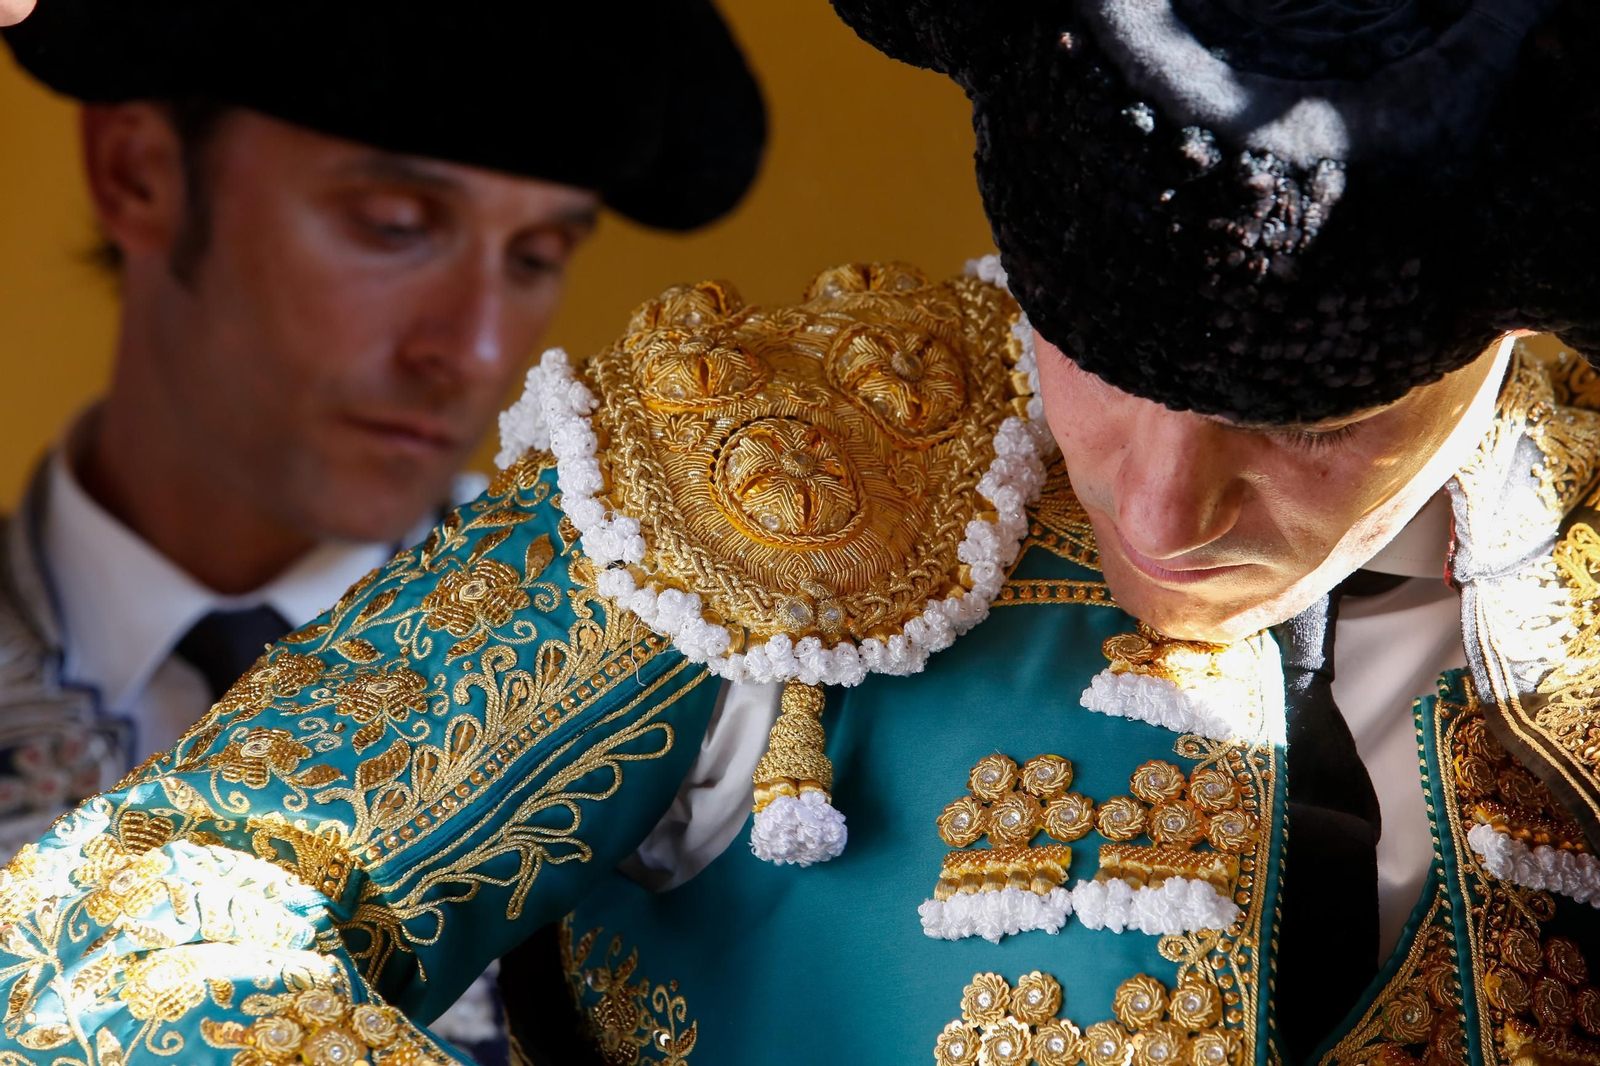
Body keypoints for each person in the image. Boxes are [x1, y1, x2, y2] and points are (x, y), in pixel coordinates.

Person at [3, 2, 1599, 1064]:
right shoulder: (765, 471)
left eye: (1307, 423)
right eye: (1089, 363)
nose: (1161, 504)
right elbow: (137, 909)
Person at [0, 2, 762, 1061]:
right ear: (140, 174)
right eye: (394, 227)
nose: (478, 344)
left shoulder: (716, 700)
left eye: (536, 256)